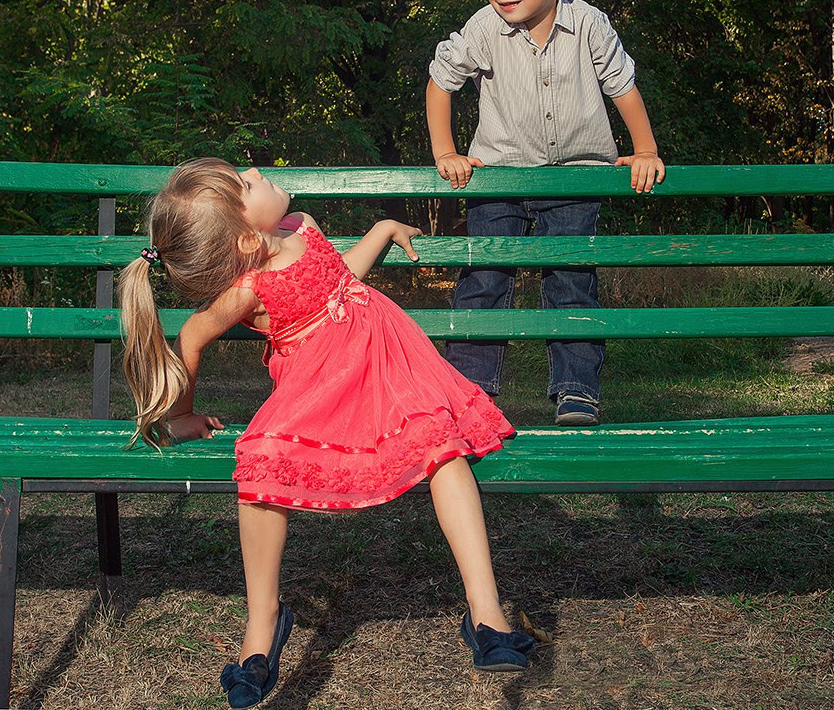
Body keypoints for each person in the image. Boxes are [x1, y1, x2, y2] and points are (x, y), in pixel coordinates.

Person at [118, 158, 536, 709]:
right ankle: (263, 624)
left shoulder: (303, 227)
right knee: (261, 459)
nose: (254, 170)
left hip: (389, 362)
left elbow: (342, 278)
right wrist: (181, 416)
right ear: (246, 239)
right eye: (246, 184)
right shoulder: (248, 287)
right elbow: (192, 335)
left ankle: (486, 613)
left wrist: (383, 231)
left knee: (441, 447)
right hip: (321, 387)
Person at [426, 0, 665, 427]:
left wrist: (644, 150)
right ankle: (471, 396)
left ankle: (577, 391)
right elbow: (441, 83)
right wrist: (447, 151)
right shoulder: (484, 30)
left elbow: (622, 86)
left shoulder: (589, 25)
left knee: (570, 281)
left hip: (577, 177)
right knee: (484, 280)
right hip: (500, 177)